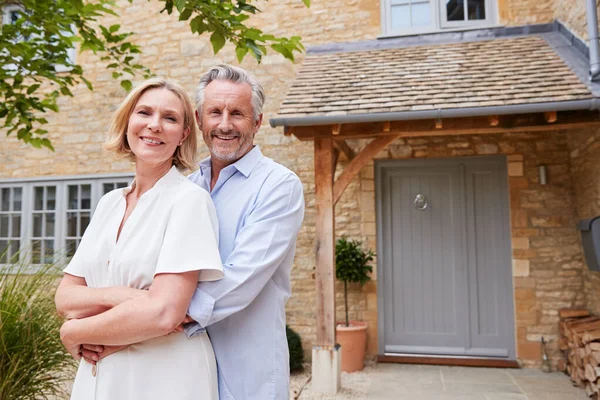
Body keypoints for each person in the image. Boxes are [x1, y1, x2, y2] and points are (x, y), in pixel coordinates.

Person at [54, 78, 223, 400]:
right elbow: (65, 298)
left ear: (184, 134)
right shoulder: (109, 203)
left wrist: (74, 330)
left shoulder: (188, 201)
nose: (154, 125)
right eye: (144, 112)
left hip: (166, 374)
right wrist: (123, 296)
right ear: (128, 122)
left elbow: (163, 314)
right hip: (99, 370)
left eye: (170, 118)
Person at [184, 64, 305, 400]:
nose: (225, 124)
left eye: (237, 113)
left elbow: (240, 279)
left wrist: (161, 314)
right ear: (199, 119)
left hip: (246, 369)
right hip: (183, 362)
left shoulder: (278, 185)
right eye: (215, 112)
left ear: (257, 122)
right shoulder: (187, 188)